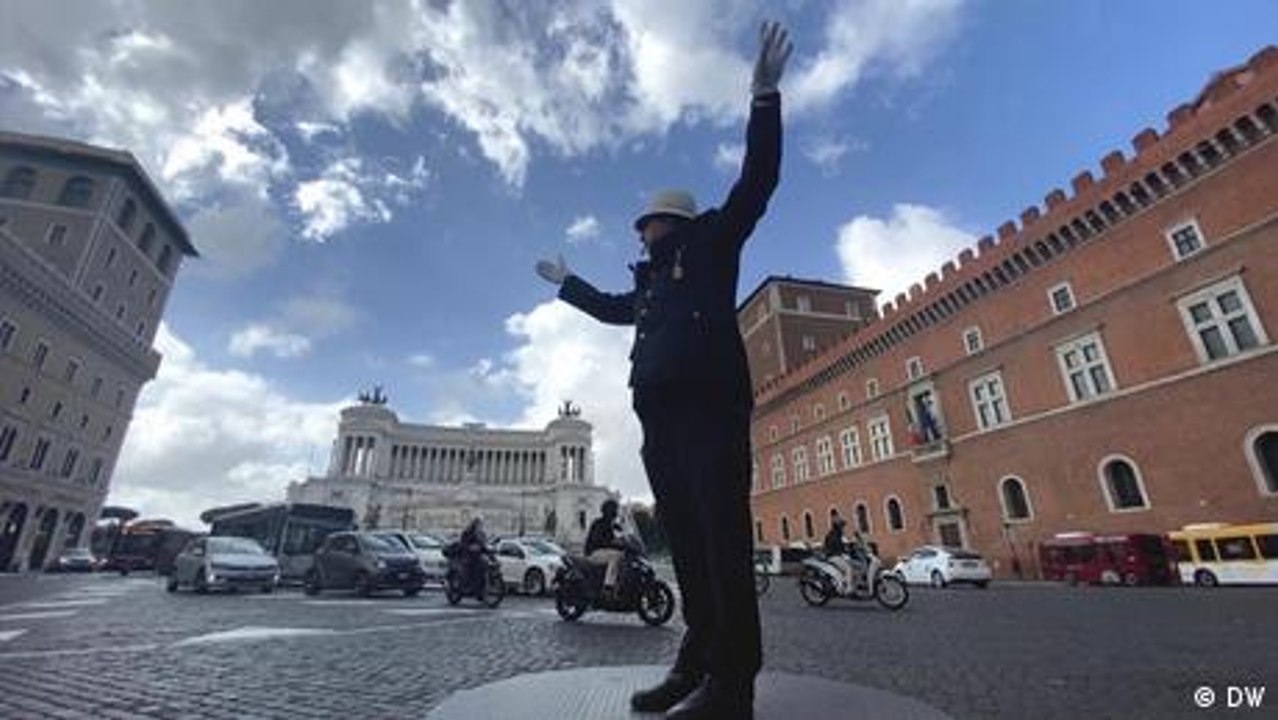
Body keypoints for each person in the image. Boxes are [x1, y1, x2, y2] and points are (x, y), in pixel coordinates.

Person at [535, 21, 792, 720]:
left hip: (710, 412)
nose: (639, 232)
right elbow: (617, 309)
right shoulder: (649, 284)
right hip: (662, 425)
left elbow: (758, 181)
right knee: (688, 548)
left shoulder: (711, 240)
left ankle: (732, 685)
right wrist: (569, 284)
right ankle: (699, 660)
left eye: (644, 223)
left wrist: (764, 99)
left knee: (723, 546)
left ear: (663, 222)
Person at [584, 499, 626, 597]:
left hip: (602, 552)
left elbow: (622, 532)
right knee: (616, 556)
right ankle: (608, 587)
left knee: (622, 556)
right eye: (615, 509)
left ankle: (619, 585)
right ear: (609, 510)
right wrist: (615, 543)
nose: (616, 512)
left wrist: (625, 536)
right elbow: (599, 540)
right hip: (593, 553)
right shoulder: (599, 523)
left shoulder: (611, 524)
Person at [822, 515, 856, 593]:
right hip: (833, 556)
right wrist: (844, 551)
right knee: (848, 568)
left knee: (852, 564)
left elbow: (842, 544)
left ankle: (845, 582)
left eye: (842, 525)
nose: (843, 527)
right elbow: (836, 546)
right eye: (841, 525)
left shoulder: (838, 534)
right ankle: (849, 588)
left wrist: (850, 546)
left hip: (837, 555)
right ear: (837, 526)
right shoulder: (833, 535)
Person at [458, 517, 488, 593]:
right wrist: (469, 547)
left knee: (482, 565)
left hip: (477, 555)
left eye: (480, 525)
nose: (479, 526)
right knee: (470, 566)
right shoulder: (467, 532)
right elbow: (463, 543)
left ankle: (479, 587)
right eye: (478, 524)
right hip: (467, 555)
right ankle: (467, 585)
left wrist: (488, 549)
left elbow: (483, 544)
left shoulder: (480, 533)